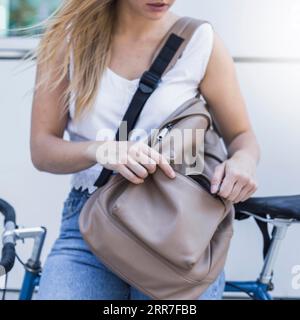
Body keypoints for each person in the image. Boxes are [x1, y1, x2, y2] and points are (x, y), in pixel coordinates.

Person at [30, 0, 260, 300]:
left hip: (178, 224)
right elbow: (42, 149)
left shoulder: (201, 42)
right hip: (89, 222)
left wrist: (243, 162)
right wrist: (101, 151)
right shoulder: (67, 41)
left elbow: (242, 136)